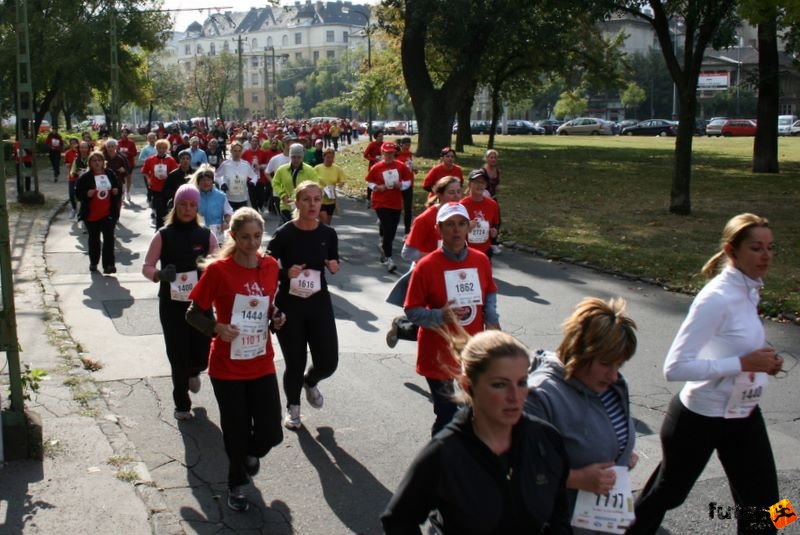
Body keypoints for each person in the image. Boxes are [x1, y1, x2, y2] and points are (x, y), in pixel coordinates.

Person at [628, 213, 782, 534]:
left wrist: (764, 362)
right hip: (700, 417)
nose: (766, 255)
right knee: (666, 495)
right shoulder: (716, 298)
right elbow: (675, 367)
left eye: (770, 247)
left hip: (742, 412)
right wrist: (742, 364)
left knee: (768, 506)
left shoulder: (749, 290)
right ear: (731, 250)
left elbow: (732, 346)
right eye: (756, 248)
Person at [381, 330, 572, 534]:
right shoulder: (444, 453)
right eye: (500, 385)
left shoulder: (546, 440)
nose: (515, 396)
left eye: (522, 382)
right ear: (468, 386)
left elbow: (559, 518)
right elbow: (398, 521)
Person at [185, 207, 286, 513]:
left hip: (261, 360)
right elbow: (193, 313)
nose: (252, 243)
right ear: (233, 236)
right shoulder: (219, 271)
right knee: (236, 429)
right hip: (227, 366)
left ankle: (250, 453)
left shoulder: (270, 267)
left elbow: (268, 306)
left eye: (257, 236)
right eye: (245, 238)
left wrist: (276, 317)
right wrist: (216, 327)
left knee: (271, 432)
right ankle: (237, 483)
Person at [525, 297, 639, 534]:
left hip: (602, 521)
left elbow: (606, 431)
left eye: (619, 365)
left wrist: (622, 452)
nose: (613, 375)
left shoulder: (612, 386)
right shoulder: (540, 395)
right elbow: (521, 470)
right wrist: (575, 479)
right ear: (579, 351)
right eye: (606, 364)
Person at [404, 202, 499, 436]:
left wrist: (492, 319)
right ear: (439, 229)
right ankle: (437, 463)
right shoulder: (425, 266)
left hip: (471, 349)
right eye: (449, 225)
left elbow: (489, 291)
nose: (456, 231)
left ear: (468, 227)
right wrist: (439, 315)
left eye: (461, 224)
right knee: (447, 414)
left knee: (474, 411)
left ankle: (466, 463)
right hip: (438, 352)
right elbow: (412, 310)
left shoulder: (480, 260)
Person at [267, 181, 340, 430]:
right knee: (294, 362)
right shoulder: (285, 233)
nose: (312, 204)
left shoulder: (328, 234)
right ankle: (293, 408)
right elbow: (266, 266)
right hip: (290, 305)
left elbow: (333, 258)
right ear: (297, 203)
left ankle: (311, 380)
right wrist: (286, 272)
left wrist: (333, 265)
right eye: (306, 199)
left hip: (318, 303)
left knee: (329, 361)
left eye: (317, 199)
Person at [142, 184, 218, 420]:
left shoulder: (206, 235)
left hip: (201, 304)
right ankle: (182, 405)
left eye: (192, 205)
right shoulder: (163, 234)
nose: (187, 209)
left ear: (197, 207)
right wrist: (160, 275)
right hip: (172, 304)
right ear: (176, 206)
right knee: (177, 356)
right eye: (183, 204)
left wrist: (210, 272)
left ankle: (195, 371)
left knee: (202, 353)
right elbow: (147, 266)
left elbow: (217, 264)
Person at [386, 176, 462, 348]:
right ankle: (401, 327)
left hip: (451, 274)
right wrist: (436, 257)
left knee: (450, 317)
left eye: (459, 192)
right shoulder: (425, 219)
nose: (457, 196)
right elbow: (407, 252)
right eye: (451, 193)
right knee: (429, 324)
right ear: (439, 195)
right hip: (426, 274)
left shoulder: (461, 215)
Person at [365, 142, 414, 273]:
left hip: (395, 202)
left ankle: (385, 247)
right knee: (387, 228)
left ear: (394, 153)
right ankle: (389, 258)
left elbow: (408, 182)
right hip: (380, 202)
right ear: (382, 153)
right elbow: (369, 182)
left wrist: (401, 185)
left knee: (392, 229)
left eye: (392, 153)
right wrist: (377, 187)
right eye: (387, 153)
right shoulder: (376, 167)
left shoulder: (401, 166)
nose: (389, 155)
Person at [75, 150, 122, 274]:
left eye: (99, 160)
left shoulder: (109, 173)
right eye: (94, 160)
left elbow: (117, 186)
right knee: (94, 240)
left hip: (108, 213)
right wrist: (86, 194)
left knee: (109, 239)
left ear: (103, 162)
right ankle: (94, 262)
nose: (97, 163)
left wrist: (116, 191)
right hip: (91, 215)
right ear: (90, 163)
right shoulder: (86, 176)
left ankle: (109, 265)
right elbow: (78, 193)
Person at [272, 143, 320, 223]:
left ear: (302, 157)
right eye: (293, 157)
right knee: (287, 230)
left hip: (304, 207)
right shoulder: (282, 170)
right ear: (290, 157)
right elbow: (275, 183)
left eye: (299, 157)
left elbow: (316, 187)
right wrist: (282, 194)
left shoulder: (310, 170)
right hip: (286, 206)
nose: (296, 160)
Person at [460, 169, 500, 259]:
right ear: (469, 184)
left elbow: (495, 224)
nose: (480, 185)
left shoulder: (492, 204)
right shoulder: (461, 205)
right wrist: (466, 227)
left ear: (486, 185)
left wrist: (494, 232)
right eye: (477, 182)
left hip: (485, 251)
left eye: (482, 183)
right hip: (465, 251)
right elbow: (454, 230)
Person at [141, 139, 178, 229]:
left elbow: (175, 172)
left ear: (167, 149)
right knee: (159, 209)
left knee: (166, 209)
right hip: (156, 188)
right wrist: (148, 179)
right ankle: (159, 229)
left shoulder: (170, 160)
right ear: (156, 148)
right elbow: (144, 171)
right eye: (159, 148)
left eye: (164, 148)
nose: (161, 150)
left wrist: (168, 177)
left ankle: (168, 227)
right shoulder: (150, 159)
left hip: (167, 188)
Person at [192, 165, 233, 245]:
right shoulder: (194, 196)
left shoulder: (221, 196)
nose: (206, 183)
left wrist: (226, 222)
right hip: (198, 233)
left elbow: (228, 213)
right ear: (198, 182)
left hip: (217, 234)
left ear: (212, 181)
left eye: (208, 180)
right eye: (203, 180)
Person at [216, 140, 258, 211]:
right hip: (229, 198)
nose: (237, 153)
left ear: (241, 152)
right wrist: (222, 183)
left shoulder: (245, 164)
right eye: (235, 151)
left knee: (241, 220)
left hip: (242, 198)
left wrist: (252, 182)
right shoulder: (225, 164)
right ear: (231, 151)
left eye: (239, 151)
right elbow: (217, 175)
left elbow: (254, 176)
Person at [314, 147, 345, 225]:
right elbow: (311, 181)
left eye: (332, 157)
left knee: (327, 223)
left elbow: (342, 180)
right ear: (324, 157)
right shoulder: (317, 168)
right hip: (319, 199)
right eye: (328, 157)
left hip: (331, 199)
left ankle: (321, 235)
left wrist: (340, 184)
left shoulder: (337, 169)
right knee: (324, 220)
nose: (330, 159)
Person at [481, 149, 502, 255]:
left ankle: (493, 243)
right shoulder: (483, 171)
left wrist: (498, 186)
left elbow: (498, 182)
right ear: (486, 158)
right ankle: (484, 241)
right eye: (491, 157)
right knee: (485, 219)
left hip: (493, 198)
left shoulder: (497, 171)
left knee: (497, 220)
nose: (493, 159)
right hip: (483, 199)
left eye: (495, 157)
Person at [395, 137, 416, 235]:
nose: (408, 146)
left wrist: (414, 169)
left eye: (409, 144)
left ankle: (407, 232)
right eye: (406, 144)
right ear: (401, 145)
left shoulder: (410, 154)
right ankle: (390, 228)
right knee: (397, 208)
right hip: (398, 184)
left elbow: (412, 168)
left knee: (408, 209)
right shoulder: (396, 154)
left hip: (409, 184)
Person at [102, 139, 131, 203]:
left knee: (117, 201)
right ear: (106, 147)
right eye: (108, 146)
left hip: (118, 181)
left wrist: (124, 170)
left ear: (116, 147)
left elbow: (128, 169)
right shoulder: (102, 156)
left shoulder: (121, 157)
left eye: (112, 146)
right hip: (104, 181)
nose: (110, 148)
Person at [363, 130, 384, 208]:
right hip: (373, 166)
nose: (381, 138)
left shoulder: (384, 145)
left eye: (382, 136)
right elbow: (365, 155)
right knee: (371, 182)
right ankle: (368, 199)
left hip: (382, 167)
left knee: (382, 182)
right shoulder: (372, 145)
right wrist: (374, 159)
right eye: (379, 136)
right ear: (376, 137)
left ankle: (380, 200)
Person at [64, 138, 82, 219]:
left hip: (81, 177)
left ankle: (81, 212)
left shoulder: (82, 152)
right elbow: (67, 164)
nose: (74, 145)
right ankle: (74, 208)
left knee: (81, 195)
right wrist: (68, 173)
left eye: (75, 143)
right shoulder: (68, 153)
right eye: (72, 143)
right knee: (71, 194)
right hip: (72, 177)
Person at [118, 128, 138, 201]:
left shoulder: (131, 143)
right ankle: (122, 192)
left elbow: (135, 153)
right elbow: (116, 152)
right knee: (121, 179)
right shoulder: (118, 142)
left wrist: (127, 153)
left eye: (125, 132)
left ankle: (128, 192)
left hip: (129, 163)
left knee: (128, 178)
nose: (124, 134)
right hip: (120, 163)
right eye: (123, 132)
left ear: (128, 134)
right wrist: (120, 153)